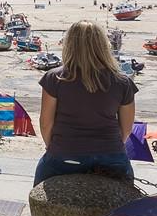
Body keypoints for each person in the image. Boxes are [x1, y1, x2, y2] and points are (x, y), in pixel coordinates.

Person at [35, 22, 138, 184]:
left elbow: (46, 124)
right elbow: (126, 129)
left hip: (65, 154)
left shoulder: (54, 78)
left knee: (39, 186)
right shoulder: (122, 82)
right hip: (111, 156)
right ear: (104, 45)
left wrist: (54, 148)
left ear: (70, 45)